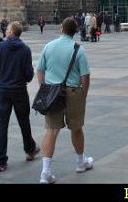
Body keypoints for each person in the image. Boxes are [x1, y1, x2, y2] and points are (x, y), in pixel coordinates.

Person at [36, 16, 93, 184]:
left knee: (51, 130)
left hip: (52, 92)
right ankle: (80, 162)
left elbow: (40, 70)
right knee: (76, 128)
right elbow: (85, 76)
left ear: (62, 29)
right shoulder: (79, 49)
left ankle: (46, 172)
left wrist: (43, 88)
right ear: (75, 32)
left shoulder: (49, 46)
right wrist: (84, 93)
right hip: (73, 91)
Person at [0, 21, 39, 172]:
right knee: (24, 121)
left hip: (3, 90)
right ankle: (30, 150)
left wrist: (1, 80)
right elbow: (29, 75)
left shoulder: (0, 47)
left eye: (7, 30)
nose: (6, 31)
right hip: (19, 90)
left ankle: (0, 161)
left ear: (11, 32)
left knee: (2, 125)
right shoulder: (25, 49)